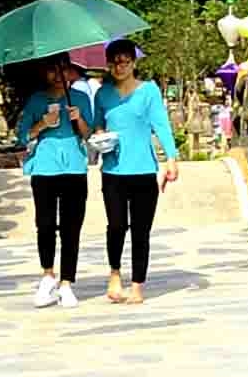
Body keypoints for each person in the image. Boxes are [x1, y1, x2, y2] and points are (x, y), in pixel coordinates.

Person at [94, 41, 179, 304]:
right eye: (115, 62)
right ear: (108, 64)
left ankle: (138, 285)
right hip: (113, 171)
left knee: (141, 230)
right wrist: (99, 136)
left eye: (125, 61)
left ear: (134, 62)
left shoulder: (149, 91)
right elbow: (98, 125)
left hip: (143, 170)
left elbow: (161, 126)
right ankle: (115, 273)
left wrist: (172, 159)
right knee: (116, 226)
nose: (120, 66)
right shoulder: (103, 95)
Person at [19, 57, 95, 308]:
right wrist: (42, 124)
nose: (58, 74)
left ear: (70, 72)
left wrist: (79, 119)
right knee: (46, 224)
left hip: (74, 167)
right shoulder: (37, 100)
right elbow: (22, 134)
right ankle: (47, 275)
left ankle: (67, 283)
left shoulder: (80, 99)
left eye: (63, 69)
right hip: (44, 168)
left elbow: (89, 134)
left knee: (71, 227)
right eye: (52, 69)